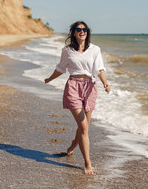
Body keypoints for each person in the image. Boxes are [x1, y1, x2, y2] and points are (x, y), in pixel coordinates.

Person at [44, 21, 110, 175]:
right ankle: (88, 164)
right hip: (73, 86)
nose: (82, 32)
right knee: (84, 127)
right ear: (74, 33)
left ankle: (73, 144)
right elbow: (61, 68)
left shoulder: (95, 50)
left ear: (87, 32)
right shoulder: (67, 50)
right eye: (78, 29)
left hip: (90, 88)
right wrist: (49, 79)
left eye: (84, 29)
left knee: (83, 127)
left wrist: (105, 83)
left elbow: (100, 69)